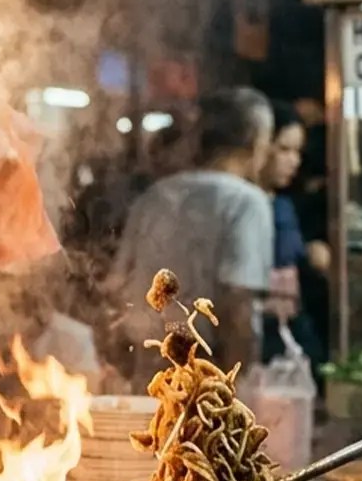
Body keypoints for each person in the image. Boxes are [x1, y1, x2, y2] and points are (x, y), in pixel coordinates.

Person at [112, 88, 274, 376]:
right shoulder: (246, 202)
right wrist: (234, 388)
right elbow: (239, 305)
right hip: (208, 376)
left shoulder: (155, 195)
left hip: (148, 370)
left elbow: (118, 285)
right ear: (255, 141)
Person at [261, 101, 325, 374]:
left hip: (292, 327)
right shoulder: (245, 206)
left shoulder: (285, 204)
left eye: (298, 151)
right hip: (263, 334)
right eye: (284, 149)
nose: (294, 161)